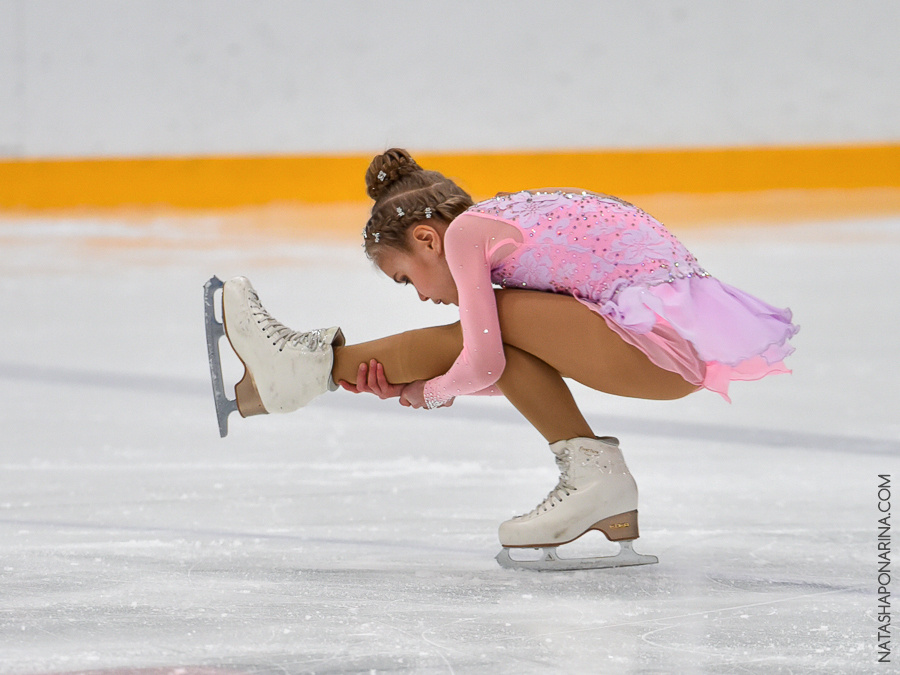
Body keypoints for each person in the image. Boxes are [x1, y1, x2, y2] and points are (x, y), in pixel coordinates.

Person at [212, 148, 798, 570]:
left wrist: (433, 391)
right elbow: (510, 369)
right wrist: (428, 385)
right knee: (488, 331)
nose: (417, 293)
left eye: (404, 280)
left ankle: (295, 369)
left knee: (477, 326)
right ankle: (600, 484)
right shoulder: (502, 224)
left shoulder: (467, 235)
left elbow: (481, 363)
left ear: (425, 239)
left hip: (658, 346)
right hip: (667, 351)